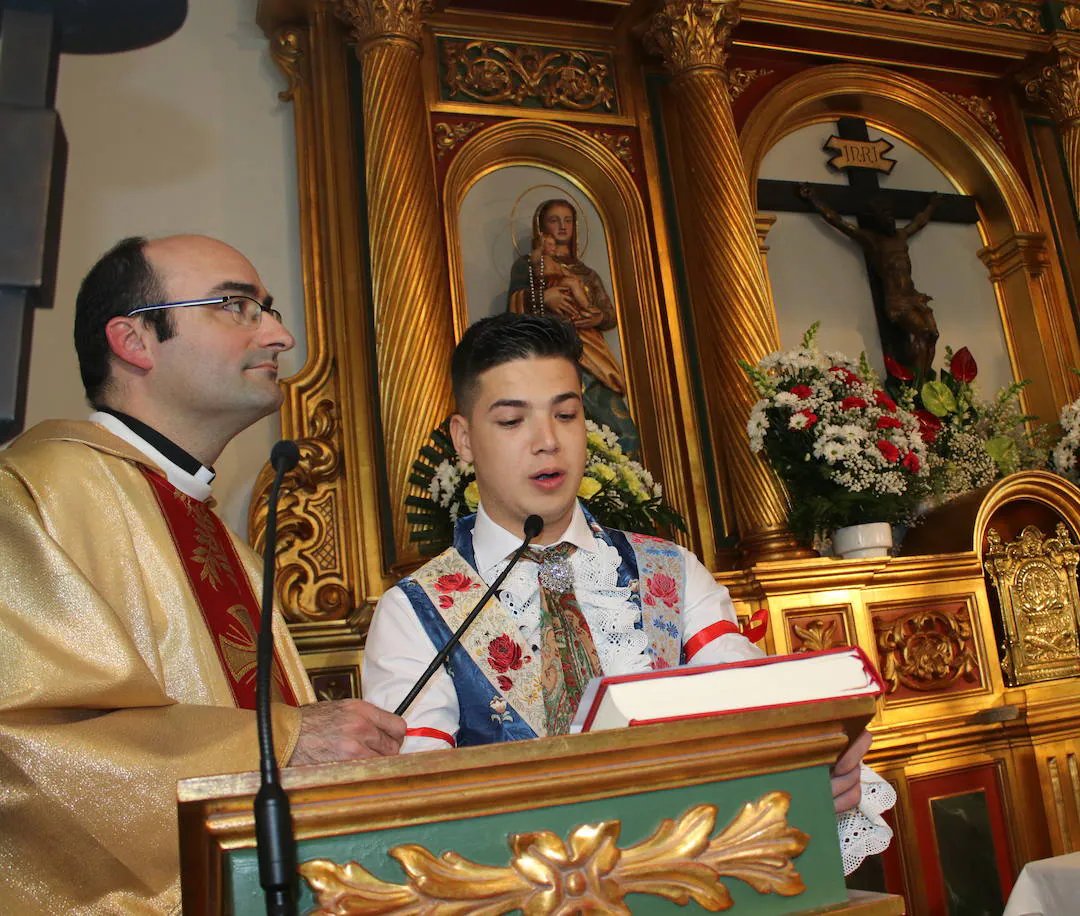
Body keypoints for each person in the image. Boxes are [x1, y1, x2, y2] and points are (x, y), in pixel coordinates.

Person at [362, 312, 894, 873]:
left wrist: (811, 761)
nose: (548, 442)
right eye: (513, 421)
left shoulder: (669, 570)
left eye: (566, 415)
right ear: (465, 440)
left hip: (689, 876)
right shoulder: (416, 610)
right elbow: (416, 801)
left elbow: (746, 702)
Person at [0, 235, 406, 914]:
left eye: (268, 309)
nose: (279, 335)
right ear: (134, 340)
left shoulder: (228, 545)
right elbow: (19, 749)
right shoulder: (36, 494)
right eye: (236, 306)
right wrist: (285, 740)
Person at [507, 197, 640, 454]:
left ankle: (621, 487)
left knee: (623, 431)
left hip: (590, 353)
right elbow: (512, 310)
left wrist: (597, 318)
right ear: (541, 228)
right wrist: (544, 298)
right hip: (550, 352)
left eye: (568, 220)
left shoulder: (586, 272)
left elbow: (608, 314)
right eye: (554, 220)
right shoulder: (528, 265)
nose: (562, 226)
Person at [798, 184, 943, 380]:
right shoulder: (872, 240)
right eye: (884, 216)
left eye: (890, 214)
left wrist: (932, 205)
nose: (889, 219)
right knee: (925, 333)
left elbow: (920, 221)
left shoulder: (901, 236)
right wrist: (814, 199)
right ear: (877, 221)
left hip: (914, 296)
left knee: (933, 335)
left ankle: (922, 379)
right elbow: (837, 221)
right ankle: (918, 383)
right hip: (897, 301)